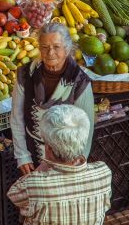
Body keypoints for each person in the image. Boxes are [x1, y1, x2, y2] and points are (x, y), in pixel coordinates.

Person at [7, 104, 111, 225]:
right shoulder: (103, 173)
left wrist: (44, 165)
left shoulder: (36, 185)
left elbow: (14, 194)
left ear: (48, 148)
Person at [10, 22, 95, 175]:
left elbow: (86, 129)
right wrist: (22, 156)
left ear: (67, 49)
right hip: (32, 154)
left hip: (68, 161)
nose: (50, 53)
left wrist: (75, 165)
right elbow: (17, 118)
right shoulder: (25, 74)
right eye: (44, 47)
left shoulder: (79, 81)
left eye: (56, 47)